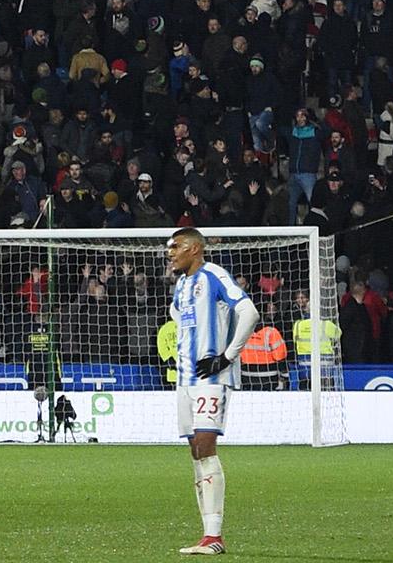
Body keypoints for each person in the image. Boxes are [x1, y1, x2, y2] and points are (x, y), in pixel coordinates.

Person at [168, 227, 259, 557]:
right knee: (195, 452)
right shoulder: (181, 284)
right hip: (185, 379)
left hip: (211, 377)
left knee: (206, 447)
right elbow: (179, 316)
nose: (170, 252)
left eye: (175, 246)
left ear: (194, 248)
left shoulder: (215, 275)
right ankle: (208, 535)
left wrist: (226, 356)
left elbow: (249, 312)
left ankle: (214, 535)